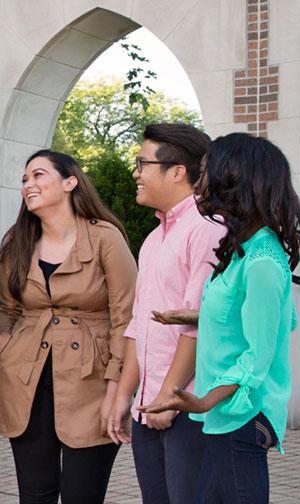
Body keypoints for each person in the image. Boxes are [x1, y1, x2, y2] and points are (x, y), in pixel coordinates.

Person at [140, 132, 300, 504]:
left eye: (207, 171)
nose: (201, 181)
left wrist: (203, 401)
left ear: (234, 177)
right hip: (228, 416)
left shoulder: (262, 259)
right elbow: (278, 317)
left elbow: (257, 356)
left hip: (244, 416)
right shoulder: (246, 249)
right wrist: (205, 316)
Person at [0, 149, 137, 504]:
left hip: (93, 384)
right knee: (34, 495)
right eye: (25, 179)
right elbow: (6, 309)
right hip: (26, 382)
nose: (29, 184)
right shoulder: (16, 243)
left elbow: (126, 318)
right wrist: (4, 346)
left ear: (70, 182)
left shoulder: (105, 238)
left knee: (82, 496)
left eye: (38, 175)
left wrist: (118, 390)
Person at [105, 124, 226, 504]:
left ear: (177, 172)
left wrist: (169, 396)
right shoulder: (155, 238)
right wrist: (125, 395)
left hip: (187, 408)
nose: (136, 173)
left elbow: (197, 322)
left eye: (142, 163)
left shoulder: (208, 229)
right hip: (150, 406)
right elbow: (139, 324)